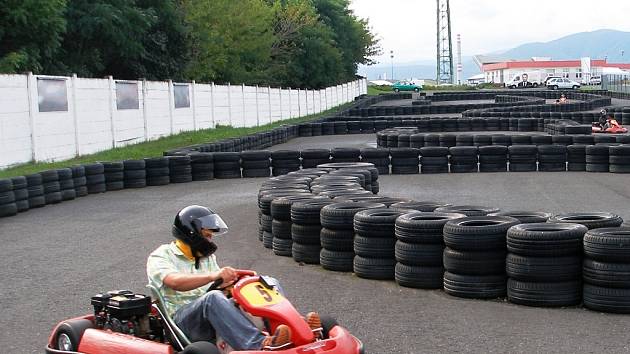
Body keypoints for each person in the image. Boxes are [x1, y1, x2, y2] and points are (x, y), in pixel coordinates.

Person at [147, 205, 321, 351]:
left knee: (267, 282)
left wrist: (231, 284)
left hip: (211, 310)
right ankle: (258, 345)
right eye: (207, 235)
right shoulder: (161, 255)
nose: (210, 240)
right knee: (212, 299)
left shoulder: (205, 258)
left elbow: (216, 286)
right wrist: (213, 276)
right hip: (183, 321)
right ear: (191, 233)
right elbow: (174, 282)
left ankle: (295, 329)